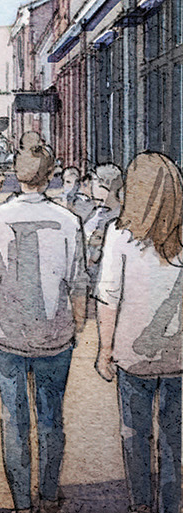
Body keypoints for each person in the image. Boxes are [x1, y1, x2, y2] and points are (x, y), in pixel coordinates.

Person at [0, 139, 86, 513]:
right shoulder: (69, 221)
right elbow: (78, 282)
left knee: (14, 418)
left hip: (7, 334)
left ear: (15, 174)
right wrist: (77, 325)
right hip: (55, 334)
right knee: (52, 417)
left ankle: (22, 502)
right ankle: (49, 495)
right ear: (51, 175)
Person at [93, 152, 183, 513]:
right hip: (179, 356)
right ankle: (171, 505)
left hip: (132, 355)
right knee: (174, 438)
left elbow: (108, 297)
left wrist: (105, 350)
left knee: (134, 434)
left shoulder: (119, 235)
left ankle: (141, 504)